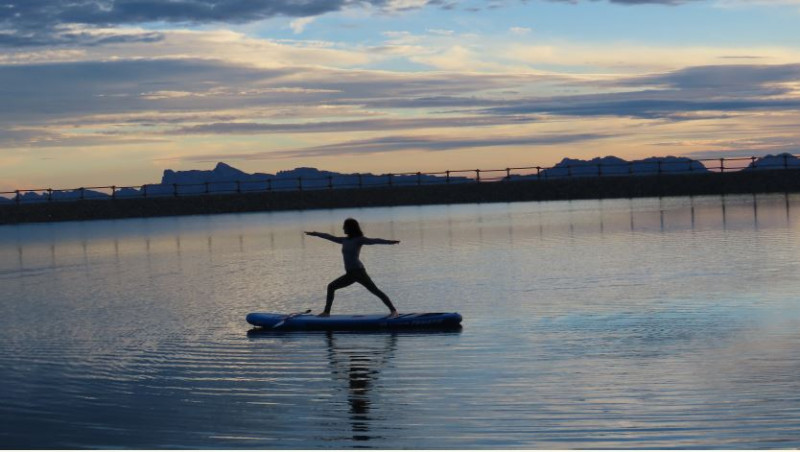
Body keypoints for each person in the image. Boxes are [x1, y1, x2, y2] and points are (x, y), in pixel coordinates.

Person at [305, 218, 400, 318]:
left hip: (359, 272)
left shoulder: (359, 239)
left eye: (345, 226)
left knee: (375, 291)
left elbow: (375, 240)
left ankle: (394, 311)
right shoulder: (344, 240)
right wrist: (316, 233)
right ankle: (326, 313)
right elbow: (329, 237)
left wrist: (390, 242)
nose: (343, 228)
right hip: (350, 274)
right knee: (331, 287)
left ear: (351, 228)